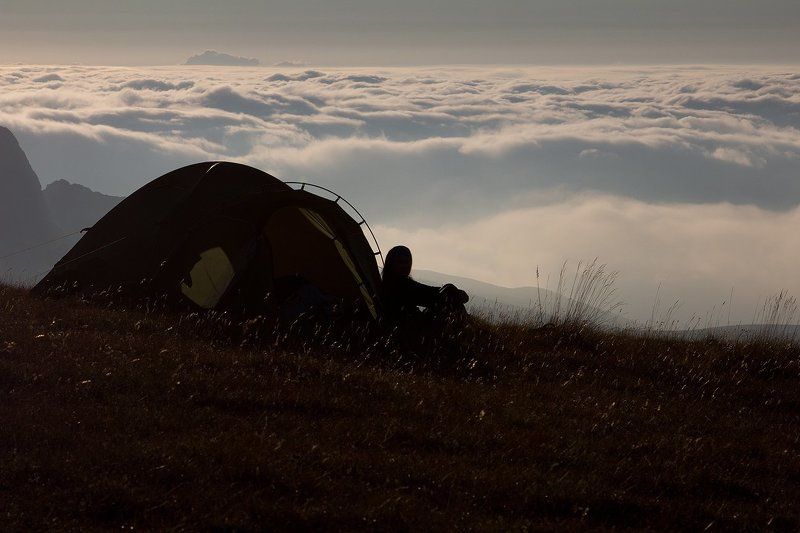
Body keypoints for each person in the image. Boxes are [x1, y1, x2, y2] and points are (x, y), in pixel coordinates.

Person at [380, 245, 469, 324]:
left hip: (410, 323)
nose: (405, 266)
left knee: (448, 292)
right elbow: (427, 293)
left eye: (407, 262)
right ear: (391, 264)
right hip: (411, 327)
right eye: (400, 262)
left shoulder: (391, 282)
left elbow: (427, 291)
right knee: (449, 294)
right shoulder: (400, 285)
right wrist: (452, 291)